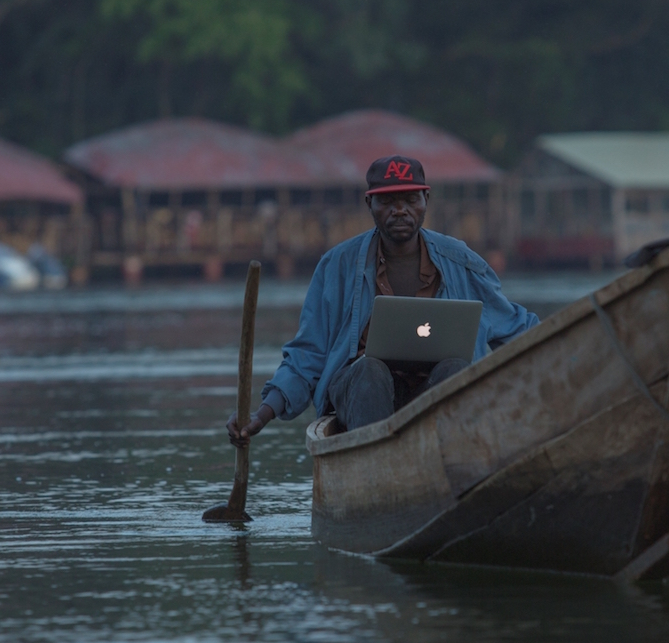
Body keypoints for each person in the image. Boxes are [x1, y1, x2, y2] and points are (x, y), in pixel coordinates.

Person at [226, 154, 539, 447]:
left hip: (435, 389)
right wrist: (262, 414)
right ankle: (373, 461)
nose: (399, 210)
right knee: (369, 371)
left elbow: (514, 328)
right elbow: (307, 354)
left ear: (425, 201)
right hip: (362, 395)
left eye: (409, 200)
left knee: (457, 367)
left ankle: (452, 459)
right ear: (369, 204)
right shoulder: (338, 266)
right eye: (387, 201)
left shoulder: (461, 261)